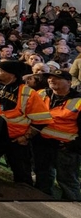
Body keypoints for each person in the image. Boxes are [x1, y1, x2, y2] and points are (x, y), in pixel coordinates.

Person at [0, 60, 53, 184]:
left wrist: (25, 137)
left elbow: (41, 120)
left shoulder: (28, 92)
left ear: (12, 74)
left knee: (22, 174)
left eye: (1, 70)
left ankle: (25, 201)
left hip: (16, 140)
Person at [32, 69, 81, 200]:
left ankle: (73, 210)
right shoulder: (41, 94)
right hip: (42, 144)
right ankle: (42, 206)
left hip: (65, 147)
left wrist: (74, 145)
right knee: (42, 177)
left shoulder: (79, 100)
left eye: (57, 78)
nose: (52, 80)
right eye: (50, 78)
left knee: (67, 181)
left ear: (69, 82)